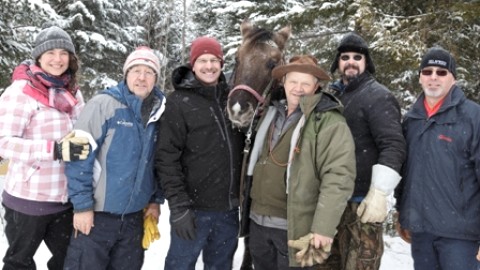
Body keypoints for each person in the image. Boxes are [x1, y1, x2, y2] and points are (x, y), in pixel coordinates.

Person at [246, 55, 356, 270]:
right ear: (283, 82)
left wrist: (323, 227)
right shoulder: (268, 114)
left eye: (305, 83)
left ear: (316, 87)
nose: (298, 88)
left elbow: (339, 177)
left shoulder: (330, 122)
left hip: (295, 228)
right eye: (293, 81)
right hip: (258, 223)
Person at [63, 46, 166, 269]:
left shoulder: (161, 112)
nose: (141, 77)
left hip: (133, 220)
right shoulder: (103, 104)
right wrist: (81, 206)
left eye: (148, 72)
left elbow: (160, 162)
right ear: (125, 74)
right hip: (97, 217)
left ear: (156, 78)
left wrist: (155, 200)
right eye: (135, 70)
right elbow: (75, 155)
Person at [0, 26, 88, 270]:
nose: (58, 59)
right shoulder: (20, 92)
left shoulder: (73, 92)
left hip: (65, 200)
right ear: (38, 57)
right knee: (19, 264)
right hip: (27, 200)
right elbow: (4, 142)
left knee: (69, 262)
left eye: (63, 53)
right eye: (50, 52)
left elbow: (82, 134)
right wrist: (54, 150)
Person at [155, 36, 244, 270]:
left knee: (220, 266)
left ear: (222, 64)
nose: (209, 66)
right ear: (192, 64)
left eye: (214, 60)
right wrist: (179, 207)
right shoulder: (178, 102)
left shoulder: (232, 98)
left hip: (228, 210)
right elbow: (166, 158)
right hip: (193, 210)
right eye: (202, 60)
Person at [322, 32, 406, 270]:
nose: (351, 61)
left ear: (366, 62)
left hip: (362, 206)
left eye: (357, 57)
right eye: (345, 56)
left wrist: (379, 192)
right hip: (330, 203)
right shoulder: (332, 96)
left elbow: (393, 145)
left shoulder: (378, 96)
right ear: (337, 62)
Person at [395, 46, 480, 270]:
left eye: (441, 72)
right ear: (420, 77)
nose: (434, 77)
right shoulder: (412, 120)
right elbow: (405, 170)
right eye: (427, 71)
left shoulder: (473, 117)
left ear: (453, 78)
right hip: (421, 232)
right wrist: (402, 211)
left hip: (461, 237)